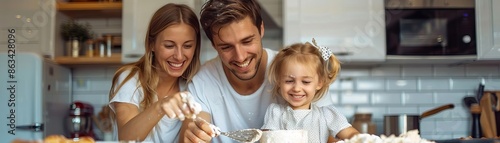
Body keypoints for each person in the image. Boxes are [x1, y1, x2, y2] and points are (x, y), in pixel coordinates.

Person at [180, 0, 284, 142]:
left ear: (261, 29)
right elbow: (195, 126)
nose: (240, 57)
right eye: (226, 47)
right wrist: (195, 134)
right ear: (214, 45)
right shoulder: (202, 82)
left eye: (247, 41)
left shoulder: (293, 72)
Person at [108, 3, 202, 143]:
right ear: (151, 44)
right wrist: (160, 106)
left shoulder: (195, 85)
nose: (179, 56)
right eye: (169, 45)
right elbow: (126, 137)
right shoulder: (130, 79)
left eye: (187, 46)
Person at [262, 40, 360, 142]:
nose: (296, 88)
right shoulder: (275, 113)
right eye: (289, 81)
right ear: (279, 81)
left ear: (319, 83)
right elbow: (266, 139)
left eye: (305, 82)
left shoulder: (327, 115)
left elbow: (352, 134)